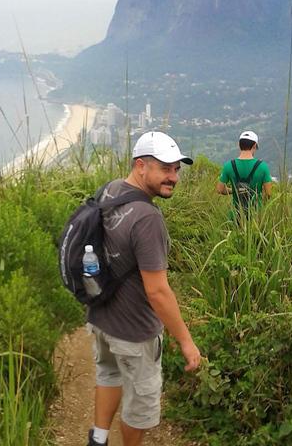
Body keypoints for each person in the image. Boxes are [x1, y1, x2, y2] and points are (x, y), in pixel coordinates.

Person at [85, 131, 202, 446]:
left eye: (176, 169)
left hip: (100, 318)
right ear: (140, 165)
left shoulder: (109, 190)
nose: (173, 177)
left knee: (108, 374)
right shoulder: (148, 218)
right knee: (140, 404)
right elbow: (158, 292)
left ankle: (98, 439)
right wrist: (186, 341)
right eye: (165, 168)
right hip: (134, 332)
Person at [216, 130, 272, 219]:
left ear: (239, 145)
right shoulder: (263, 167)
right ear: (254, 146)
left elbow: (220, 190)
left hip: (235, 215)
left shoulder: (228, 166)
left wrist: (235, 190)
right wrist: (261, 203)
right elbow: (268, 193)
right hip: (256, 216)